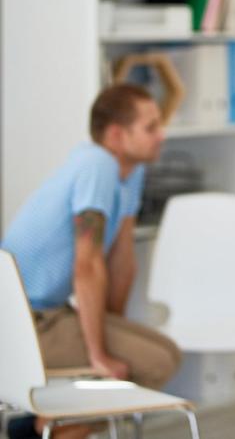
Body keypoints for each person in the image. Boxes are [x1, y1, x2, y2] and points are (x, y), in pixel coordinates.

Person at [1, 84, 180, 439]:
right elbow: (87, 265)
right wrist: (99, 354)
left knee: (166, 353)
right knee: (154, 363)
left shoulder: (131, 171)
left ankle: (37, 427)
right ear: (116, 134)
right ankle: (41, 430)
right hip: (20, 323)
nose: (162, 135)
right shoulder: (98, 164)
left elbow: (121, 260)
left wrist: (114, 330)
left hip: (50, 314)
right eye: (150, 127)